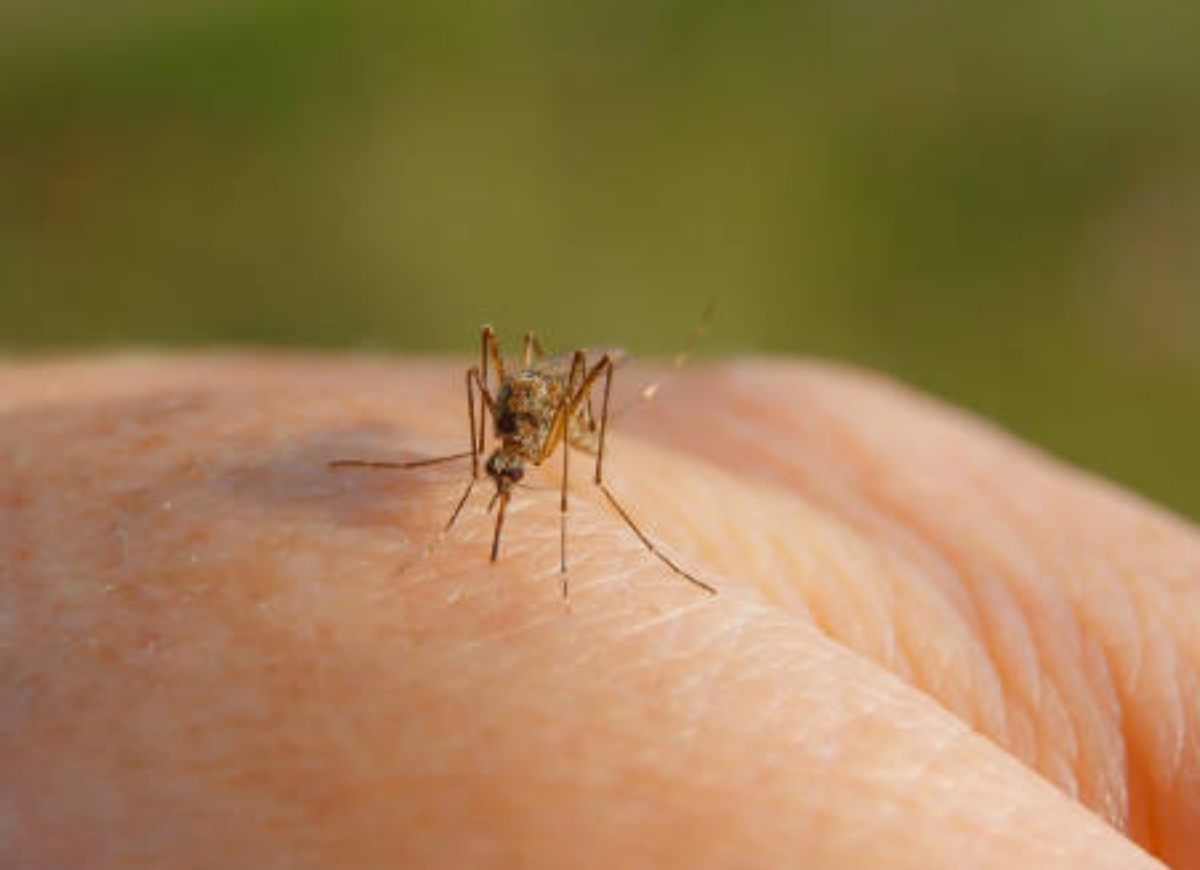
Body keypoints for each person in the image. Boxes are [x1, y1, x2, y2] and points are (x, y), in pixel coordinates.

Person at [2, 354, 1194, 869]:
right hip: (507, 413)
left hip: (557, 418)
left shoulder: (549, 425)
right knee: (504, 379)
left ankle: (599, 472)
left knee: (564, 384)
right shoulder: (496, 437)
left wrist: (582, 475)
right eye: (504, 475)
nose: (504, 493)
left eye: (507, 477)